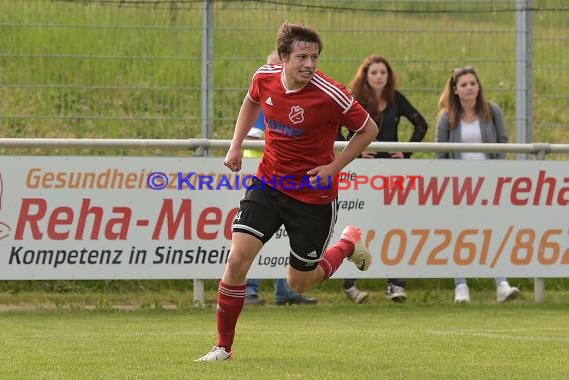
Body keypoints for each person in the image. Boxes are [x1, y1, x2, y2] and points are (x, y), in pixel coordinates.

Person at [195, 22, 378, 362]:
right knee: (236, 260)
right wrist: (235, 147)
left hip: (313, 197)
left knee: (300, 284)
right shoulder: (264, 77)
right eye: (302, 57)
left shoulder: (330, 93)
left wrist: (333, 167)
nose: (309, 64)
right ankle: (223, 347)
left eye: (315, 57)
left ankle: (347, 244)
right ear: (283, 58)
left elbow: (369, 128)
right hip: (268, 184)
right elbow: (251, 102)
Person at [342, 55, 429, 303]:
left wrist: (406, 151)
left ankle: (396, 284)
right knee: (357, 225)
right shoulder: (354, 99)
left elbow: (420, 124)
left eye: (383, 72)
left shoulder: (395, 99)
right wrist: (354, 149)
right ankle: (350, 285)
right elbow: (334, 126)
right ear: (365, 76)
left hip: (390, 171)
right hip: (361, 171)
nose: (379, 76)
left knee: (393, 224)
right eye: (374, 72)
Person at [436, 66, 520, 304]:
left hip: (489, 183)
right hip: (459, 185)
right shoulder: (446, 118)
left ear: (478, 86)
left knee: (492, 232)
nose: (469, 87)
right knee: (459, 234)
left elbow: (503, 142)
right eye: (464, 84)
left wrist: (494, 172)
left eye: (473, 83)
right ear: (455, 90)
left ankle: (501, 283)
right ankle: (460, 285)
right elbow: (440, 154)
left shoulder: (492, 111)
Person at [243, 52, 318, 307]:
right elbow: (252, 136)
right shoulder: (265, 94)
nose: (276, 71)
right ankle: (250, 290)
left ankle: (284, 290)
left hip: (290, 180)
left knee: (289, 238)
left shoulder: (303, 99)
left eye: (278, 66)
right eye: (272, 66)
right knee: (251, 239)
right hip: (262, 176)